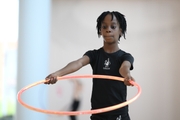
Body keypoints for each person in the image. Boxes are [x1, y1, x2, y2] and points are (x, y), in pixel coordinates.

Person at [45, 11, 135, 120]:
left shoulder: (125, 56)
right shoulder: (94, 55)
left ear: (121, 31)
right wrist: (57, 74)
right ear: (100, 30)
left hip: (119, 115)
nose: (108, 29)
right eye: (104, 26)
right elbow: (79, 63)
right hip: (97, 115)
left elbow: (124, 68)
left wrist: (127, 76)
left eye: (113, 26)